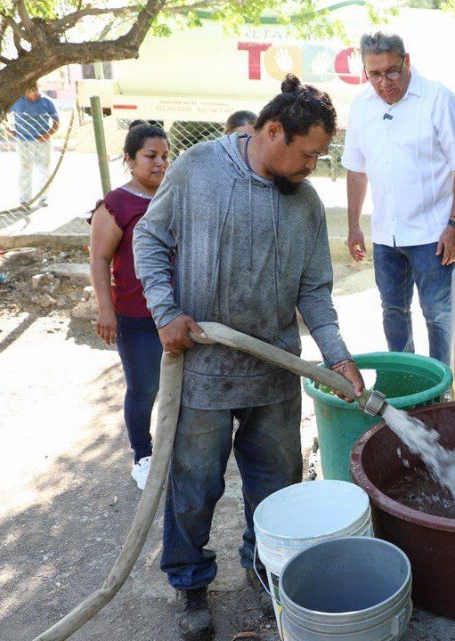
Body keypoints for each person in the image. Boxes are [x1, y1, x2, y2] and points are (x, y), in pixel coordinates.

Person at [133, 74, 364, 641]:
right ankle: (190, 582)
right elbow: (149, 239)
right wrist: (165, 312)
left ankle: (264, 567)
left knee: (277, 487)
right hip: (205, 370)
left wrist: (337, 359)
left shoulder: (306, 203)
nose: (314, 166)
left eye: (320, 157)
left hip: (276, 373)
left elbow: (314, 292)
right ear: (273, 131)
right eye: (308, 154)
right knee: (194, 485)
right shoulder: (197, 171)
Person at [342, 31, 455, 365]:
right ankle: (408, 381)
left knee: (439, 315)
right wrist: (354, 227)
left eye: (391, 71)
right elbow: (356, 170)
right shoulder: (361, 106)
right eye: (374, 74)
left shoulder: (437, 99)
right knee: (393, 312)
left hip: (433, 236)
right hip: (386, 236)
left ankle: (441, 390)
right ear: (365, 71)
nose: (384, 82)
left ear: (407, 61)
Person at [88, 121, 171, 491]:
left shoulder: (173, 195)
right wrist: (106, 311)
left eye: (165, 156)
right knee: (144, 389)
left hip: (174, 312)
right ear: (129, 159)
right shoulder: (116, 204)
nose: (159, 164)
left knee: (179, 389)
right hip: (136, 317)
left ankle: (173, 452)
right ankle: (143, 456)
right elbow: (99, 260)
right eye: (150, 156)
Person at [8, 82, 59, 207]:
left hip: (42, 141)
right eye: (29, 95)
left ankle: (43, 198)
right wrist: (8, 130)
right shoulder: (17, 101)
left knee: (43, 168)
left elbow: (56, 122)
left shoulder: (46, 102)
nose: (32, 98)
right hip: (23, 140)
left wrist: (47, 135)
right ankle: (24, 200)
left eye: (35, 95)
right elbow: (4, 114)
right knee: (25, 169)